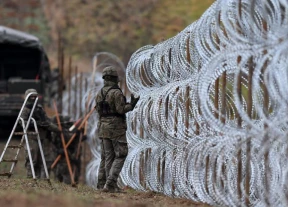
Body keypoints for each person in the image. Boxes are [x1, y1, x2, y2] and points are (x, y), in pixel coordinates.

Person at [95, 66, 139, 193]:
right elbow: (120, 109)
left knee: (107, 156)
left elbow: (98, 110)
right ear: (115, 79)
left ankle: (102, 184)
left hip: (102, 126)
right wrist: (131, 105)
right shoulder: (116, 92)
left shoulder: (100, 93)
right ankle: (110, 184)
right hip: (115, 127)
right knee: (121, 154)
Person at [21, 88, 60, 178]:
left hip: (41, 137)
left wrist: (56, 129)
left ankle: (38, 178)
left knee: (40, 160)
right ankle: (31, 178)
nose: (34, 98)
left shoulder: (39, 108)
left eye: (35, 96)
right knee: (32, 159)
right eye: (31, 97)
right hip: (31, 137)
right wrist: (35, 124)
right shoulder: (25, 109)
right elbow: (22, 122)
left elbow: (46, 121)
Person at [52, 115, 83, 184]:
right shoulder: (55, 131)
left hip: (66, 155)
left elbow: (70, 138)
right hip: (58, 156)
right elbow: (54, 142)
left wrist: (78, 133)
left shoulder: (64, 130)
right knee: (60, 174)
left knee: (66, 173)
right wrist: (58, 150)